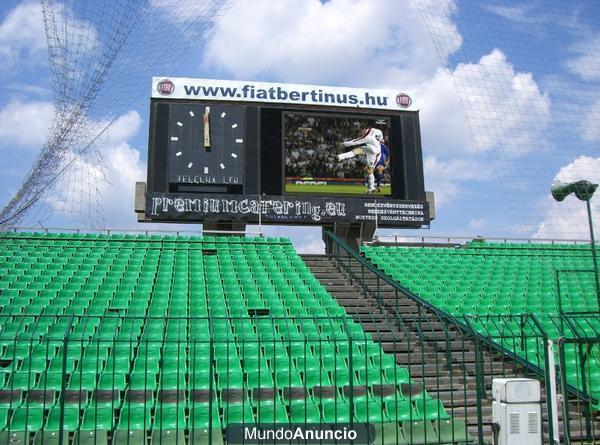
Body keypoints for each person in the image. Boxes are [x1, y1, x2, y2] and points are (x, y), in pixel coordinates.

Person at [337, 128, 384, 194]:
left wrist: (344, 144)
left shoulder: (367, 137)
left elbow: (355, 141)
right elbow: (380, 133)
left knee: (370, 171)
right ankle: (340, 157)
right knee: (356, 151)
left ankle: (371, 188)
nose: (361, 134)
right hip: (369, 148)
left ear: (364, 129)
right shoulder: (375, 130)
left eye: (361, 132)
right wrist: (381, 139)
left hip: (375, 154)